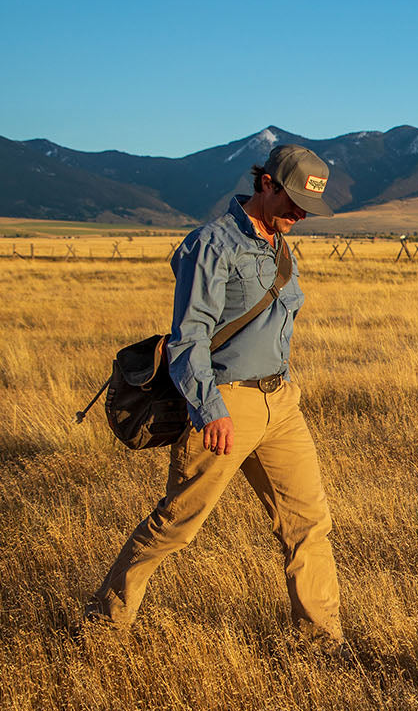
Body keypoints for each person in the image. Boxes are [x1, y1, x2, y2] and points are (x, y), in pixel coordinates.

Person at [86, 144, 344, 647]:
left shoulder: (279, 244)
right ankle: (103, 623)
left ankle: (321, 641)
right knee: (177, 524)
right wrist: (210, 409)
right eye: (292, 202)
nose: (298, 215)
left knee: (310, 523)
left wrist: (284, 390)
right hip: (228, 404)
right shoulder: (213, 244)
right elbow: (189, 337)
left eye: (307, 209)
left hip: (281, 404)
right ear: (265, 183)